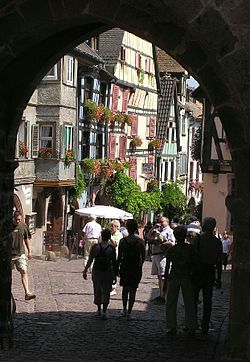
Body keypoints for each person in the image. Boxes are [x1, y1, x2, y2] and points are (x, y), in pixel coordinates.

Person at [164, 225, 197, 335]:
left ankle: (171, 326)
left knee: (171, 303)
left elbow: (168, 266)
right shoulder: (190, 248)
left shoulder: (172, 250)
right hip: (186, 276)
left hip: (174, 276)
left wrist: (165, 283)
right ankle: (191, 325)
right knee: (189, 302)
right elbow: (194, 263)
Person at [192, 217, 223, 335]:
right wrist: (218, 278)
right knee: (207, 301)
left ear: (204, 225)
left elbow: (193, 256)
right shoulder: (217, 242)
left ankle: (192, 323)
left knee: (194, 299)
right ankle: (205, 326)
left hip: (198, 271)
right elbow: (219, 262)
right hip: (210, 271)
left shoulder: (198, 239)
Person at [82, 229, 116, 320]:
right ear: (109, 237)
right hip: (108, 271)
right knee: (106, 291)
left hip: (97, 271)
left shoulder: (96, 247)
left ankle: (99, 309)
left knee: (97, 289)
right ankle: (104, 311)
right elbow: (114, 262)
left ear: (101, 236)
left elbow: (90, 260)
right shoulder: (111, 248)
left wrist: (85, 270)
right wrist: (115, 274)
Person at [116, 219, 145, 320]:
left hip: (125, 267)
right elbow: (143, 257)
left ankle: (124, 309)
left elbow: (119, 257)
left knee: (125, 289)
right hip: (136, 268)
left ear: (127, 228)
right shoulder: (140, 242)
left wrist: (117, 269)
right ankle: (129, 312)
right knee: (133, 290)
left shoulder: (123, 241)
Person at [147, 216, 175, 304]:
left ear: (167, 222)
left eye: (162, 221)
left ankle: (164, 296)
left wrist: (161, 241)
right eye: (159, 221)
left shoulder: (170, 231)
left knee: (163, 277)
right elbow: (148, 236)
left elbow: (172, 243)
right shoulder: (158, 230)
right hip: (156, 255)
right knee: (159, 277)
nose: (160, 223)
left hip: (163, 256)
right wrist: (153, 228)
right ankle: (161, 294)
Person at [11, 210, 36, 301]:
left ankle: (27, 292)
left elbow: (26, 239)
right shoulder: (7, 226)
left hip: (20, 253)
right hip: (9, 255)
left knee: (24, 271)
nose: (17, 221)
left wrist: (29, 251)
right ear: (13, 218)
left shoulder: (23, 225)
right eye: (16, 220)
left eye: (19, 220)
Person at [109, 219, 123, 296]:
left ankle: (113, 288)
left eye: (112, 226)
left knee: (114, 272)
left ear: (117, 227)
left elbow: (115, 244)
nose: (111, 227)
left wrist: (110, 237)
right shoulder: (111, 234)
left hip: (115, 256)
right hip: (108, 255)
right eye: (110, 226)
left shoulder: (119, 235)